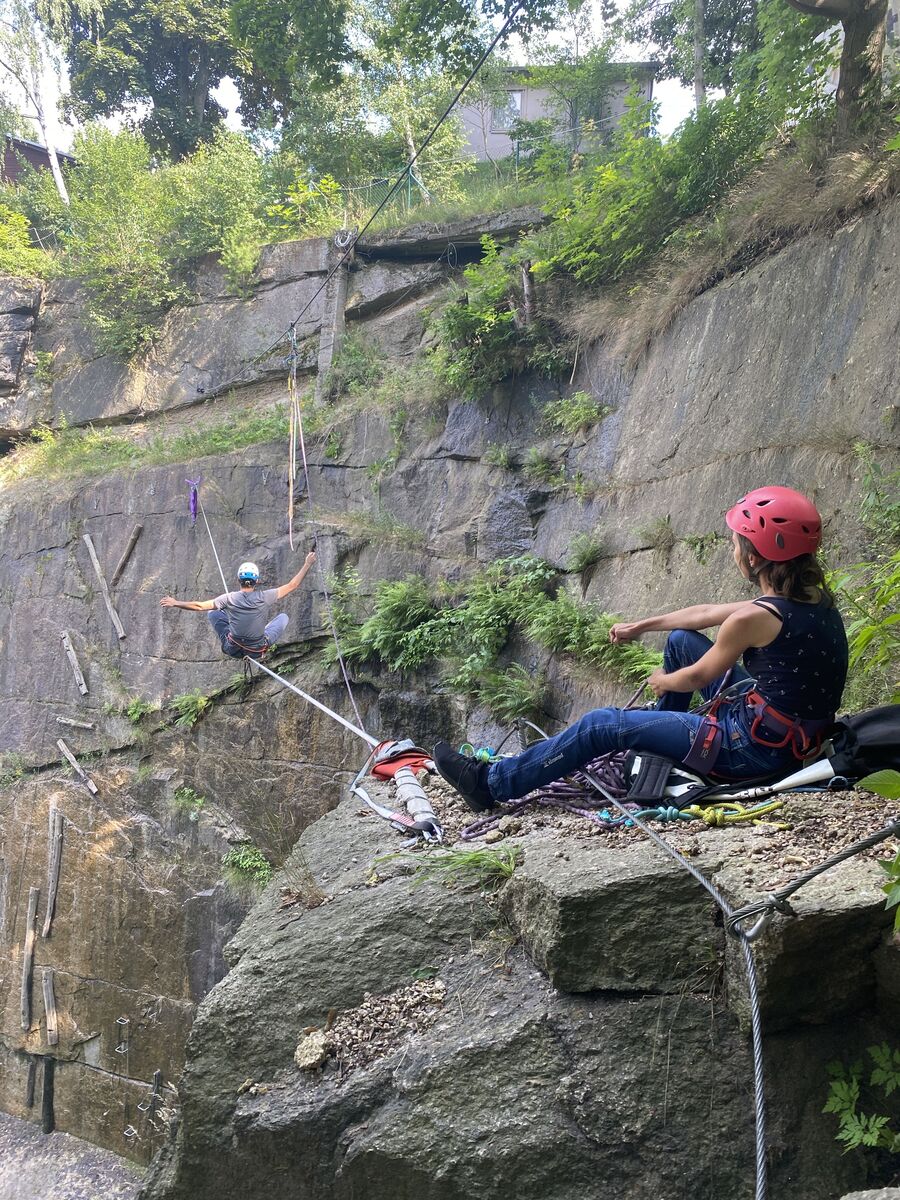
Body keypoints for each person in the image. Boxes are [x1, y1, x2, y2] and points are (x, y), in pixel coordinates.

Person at [433, 487, 848, 812]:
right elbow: (703, 614)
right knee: (680, 642)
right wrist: (643, 626)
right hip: (794, 736)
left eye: (736, 542)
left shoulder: (753, 618)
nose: (732, 549)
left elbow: (700, 676)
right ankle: (665, 732)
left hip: (750, 750)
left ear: (756, 557)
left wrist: (662, 680)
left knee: (600, 725)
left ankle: (490, 784)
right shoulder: (810, 599)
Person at [160, 552, 316, 659]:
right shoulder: (265, 596)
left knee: (213, 613)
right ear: (257, 581)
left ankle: (237, 636)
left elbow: (200, 606)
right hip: (256, 650)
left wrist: (176, 603)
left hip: (232, 648)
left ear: (238, 580)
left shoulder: (228, 599)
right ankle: (259, 633)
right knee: (283, 617)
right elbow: (292, 585)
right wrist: (307, 564)